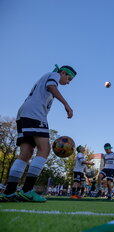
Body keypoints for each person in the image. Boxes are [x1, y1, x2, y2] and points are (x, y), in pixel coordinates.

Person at [0, 64, 76, 202]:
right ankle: (27, 191)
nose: (68, 82)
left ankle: (9, 192)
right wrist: (66, 104)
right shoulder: (54, 75)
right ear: (63, 73)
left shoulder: (45, 78)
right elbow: (51, 87)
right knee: (44, 149)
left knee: (25, 154)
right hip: (35, 114)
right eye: (69, 78)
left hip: (23, 114)